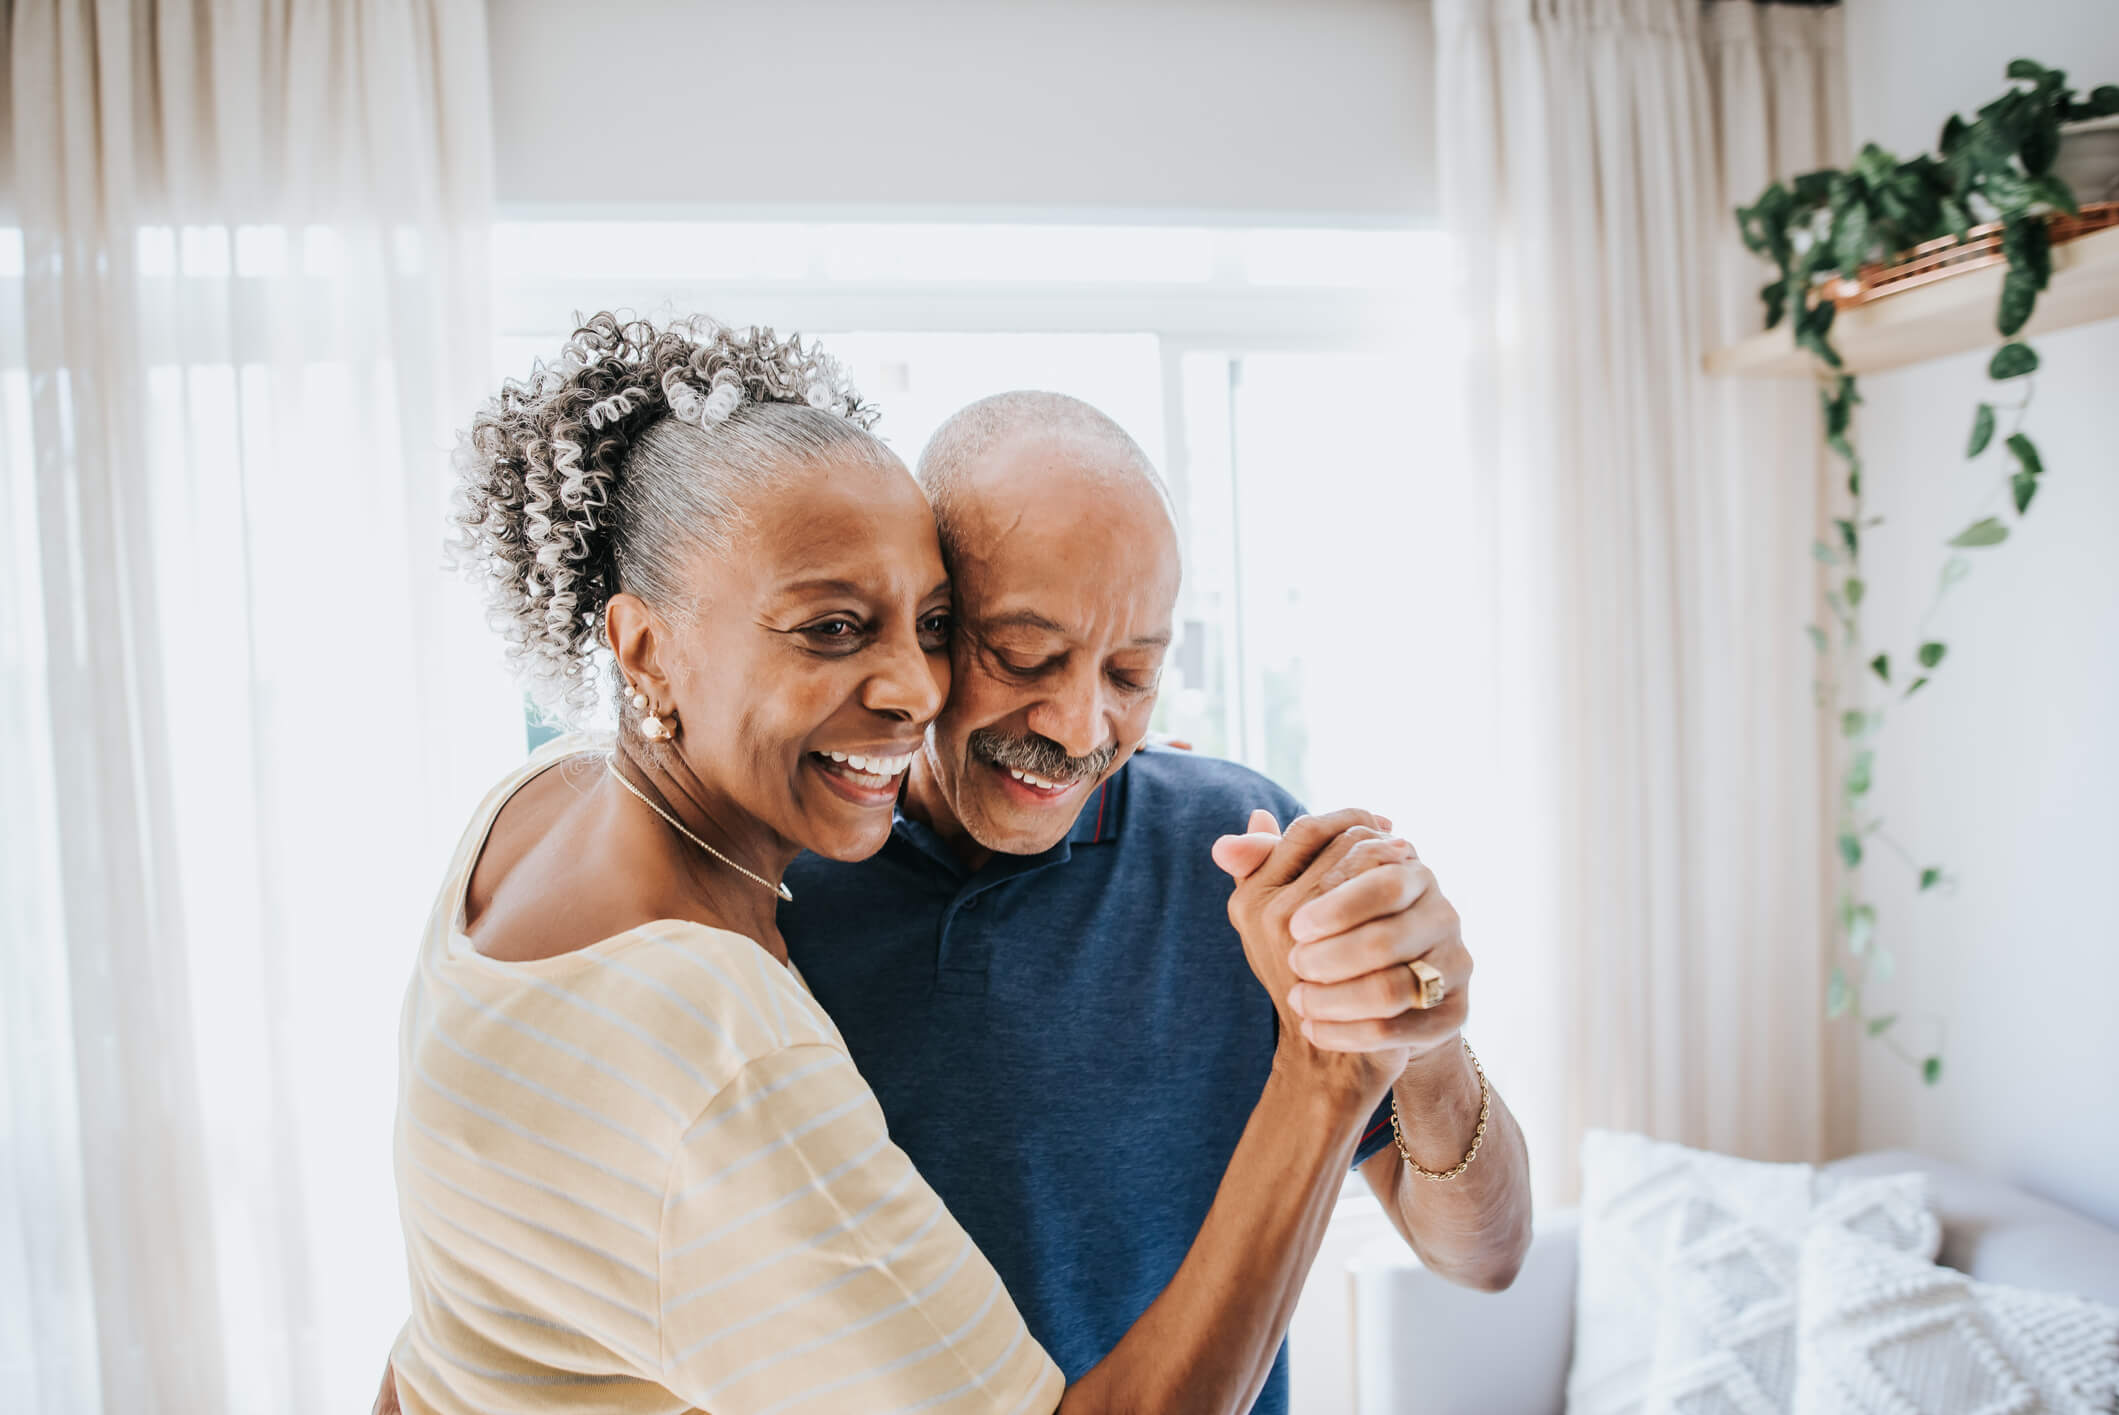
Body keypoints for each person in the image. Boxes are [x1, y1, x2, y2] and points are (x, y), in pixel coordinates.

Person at [379, 313, 1431, 1415]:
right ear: (645, 645)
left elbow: (441, 1343)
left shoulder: (528, 813)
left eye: (931, 625)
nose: (914, 691)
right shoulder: (723, 1039)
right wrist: (1325, 1075)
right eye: (832, 626)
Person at [776, 392, 1535, 1415]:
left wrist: (1425, 1040)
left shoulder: (1243, 847)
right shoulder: (775, 882)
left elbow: (1483, 1258)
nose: (1080, 723)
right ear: (926, 620)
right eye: (1026, 655)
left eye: (1132, 671)